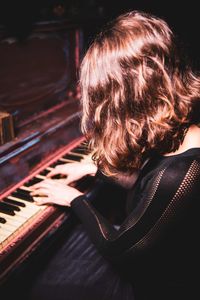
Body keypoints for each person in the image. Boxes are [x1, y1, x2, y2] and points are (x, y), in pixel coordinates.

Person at [28, 10, 200, 300]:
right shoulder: (178, 126)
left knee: (39, 287)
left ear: (129, 94)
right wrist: (95, 172)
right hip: (145, 247)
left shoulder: (181, 174)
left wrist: (73, 199)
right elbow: (147, 186)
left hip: (155, 284)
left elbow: (119, 249)